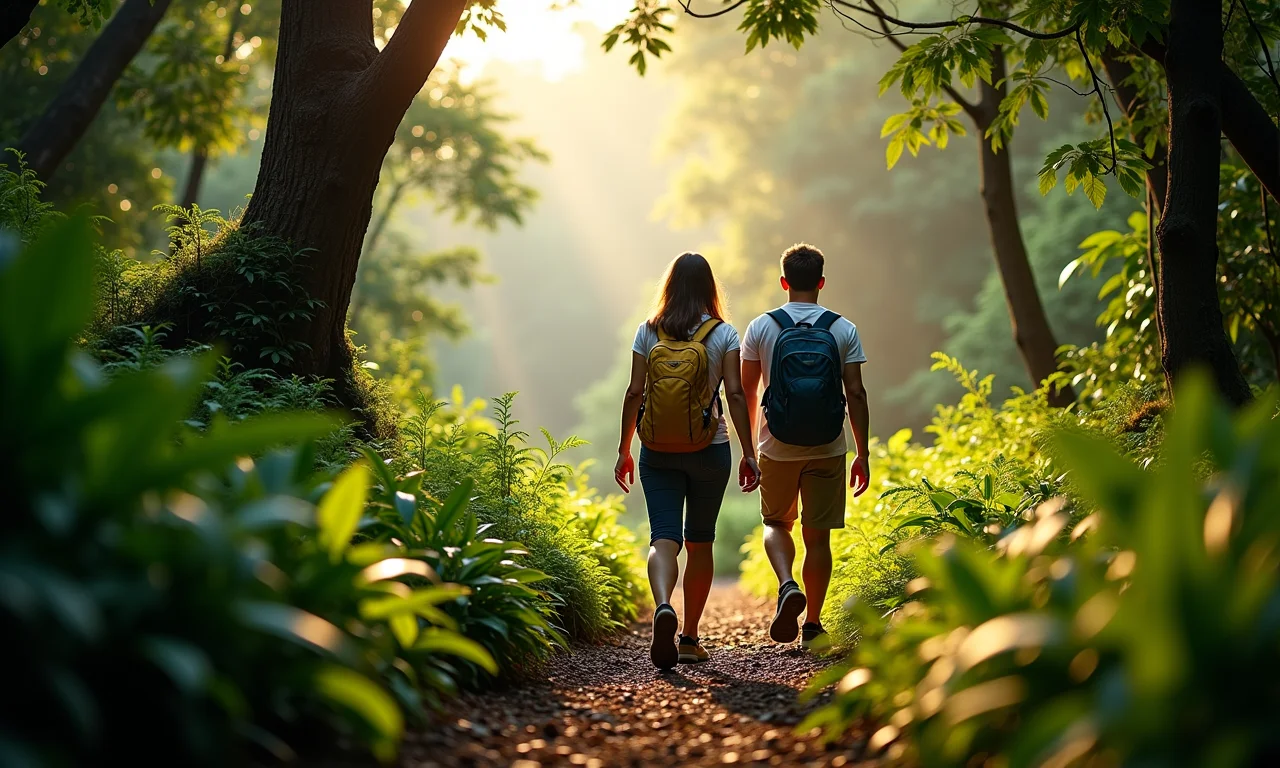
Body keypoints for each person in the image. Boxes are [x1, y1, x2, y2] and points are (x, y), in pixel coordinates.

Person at [614, 252, 761, 670]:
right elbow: (735, 393)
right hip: (709, 449)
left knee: (663, 538)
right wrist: (749, 453)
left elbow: (634, 393)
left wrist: (625, 449)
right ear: (709, 288)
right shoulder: (725, 334)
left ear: (670, 285)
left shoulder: (648, 330)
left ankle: (663, 605)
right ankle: (690, 637)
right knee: (700, 542)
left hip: (657, 450)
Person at [741, 243, 870, 651]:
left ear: (784, 282)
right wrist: (862, 454)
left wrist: (747, 448)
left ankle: (786, 585)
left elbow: (744, 390)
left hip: (775, 444)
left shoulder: (762, 327)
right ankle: (812, 625)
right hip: (829, 445)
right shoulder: (843, 328)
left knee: (776, 524)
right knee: (819, 538)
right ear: (821, 282)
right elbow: (857, 393)